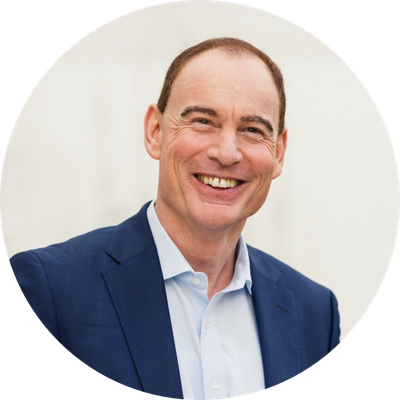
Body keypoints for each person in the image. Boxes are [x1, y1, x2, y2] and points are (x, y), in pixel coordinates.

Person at [9, 37, 340, 399]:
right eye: (203, 120)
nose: (226, 152)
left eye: (252, 130)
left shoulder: (313, 314)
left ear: (278, 152)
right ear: (155, 131)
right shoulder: (50, 290)